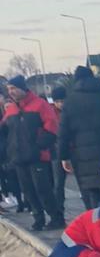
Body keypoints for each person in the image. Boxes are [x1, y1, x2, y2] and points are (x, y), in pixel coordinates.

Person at [1, 75, 64, 230]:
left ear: (23, 88)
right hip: (18, 157)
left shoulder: (40, 105)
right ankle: (38, 218)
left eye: (14, 88)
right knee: (28, 191)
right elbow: (5, 130)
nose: (11, 92)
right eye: (9, 89)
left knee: (43, 189)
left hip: (37, 156)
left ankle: (56, 217)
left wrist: (38, 147)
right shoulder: (11, 109)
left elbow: (51, 128)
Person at [58, 65, 100, 210]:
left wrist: (64, 156)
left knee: (93, 195)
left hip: (84, 156)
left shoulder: (71, 102)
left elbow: (63, 132)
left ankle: (97, 227)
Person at [50, 85, 68, 221]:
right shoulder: (51, 112)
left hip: (72, 150)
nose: (60, 104)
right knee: (58, 184)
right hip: (57, 151)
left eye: (62, 101)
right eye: (58, 101)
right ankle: (59, 212)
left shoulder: (71, 110)